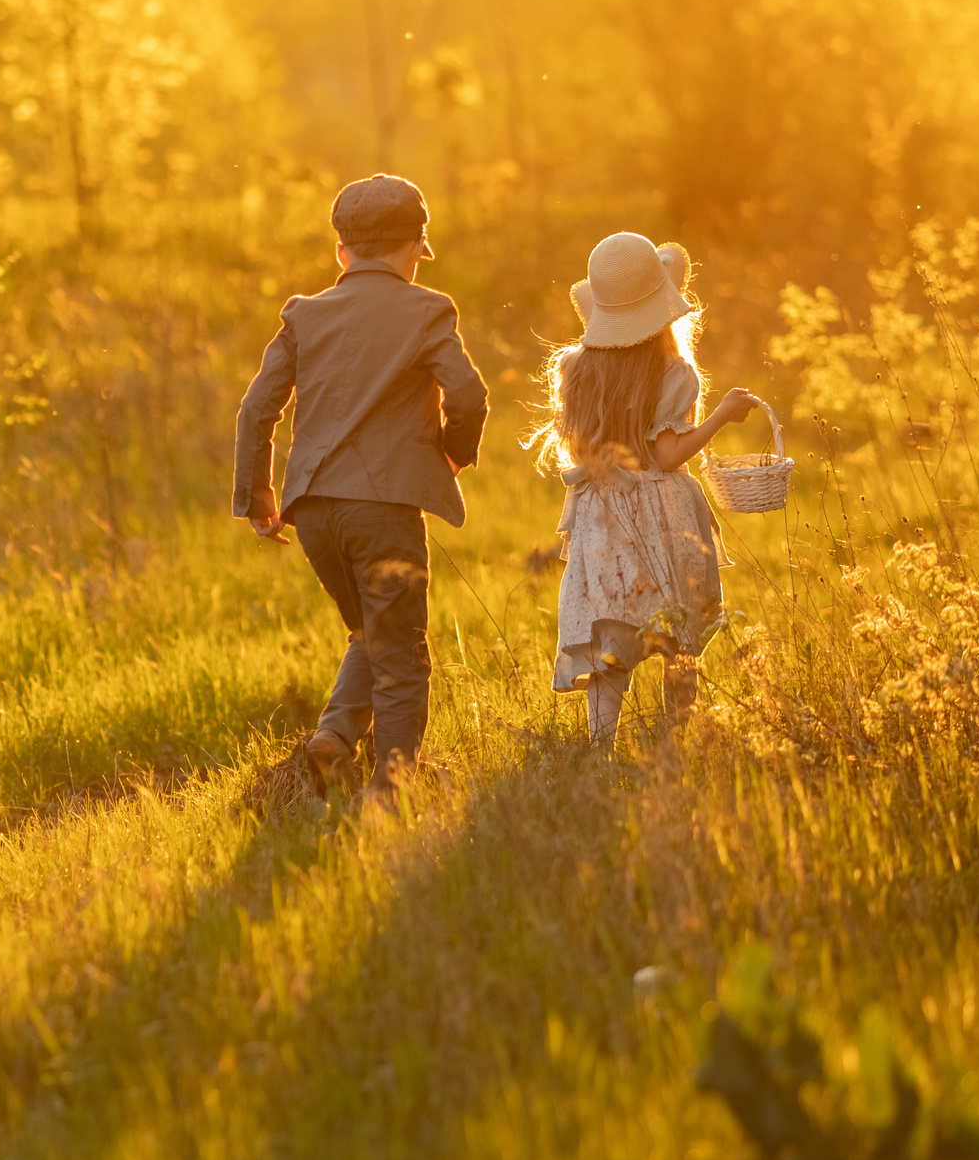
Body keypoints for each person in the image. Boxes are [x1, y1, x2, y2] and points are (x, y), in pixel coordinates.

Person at [232, 174, 490, 798]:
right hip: (385, 512)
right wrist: (451, 456)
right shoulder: (429, 311)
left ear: (342, 252)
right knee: (401, 656)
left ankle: (335, 735)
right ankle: (390, 793)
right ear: (414, 250)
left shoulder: (304, 314)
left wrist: (258, 494)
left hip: (314, 513)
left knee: (371, 634)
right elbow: (470, 394)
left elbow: (256, 409)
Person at [530, 231, 761, 751]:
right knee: (678, 635)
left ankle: (601, 747)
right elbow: (666, 456)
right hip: (661, 513)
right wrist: (722, 416)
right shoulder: (673, 372)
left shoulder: (577, 369)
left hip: (602, 515)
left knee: (613, 636)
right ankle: (674, 743)